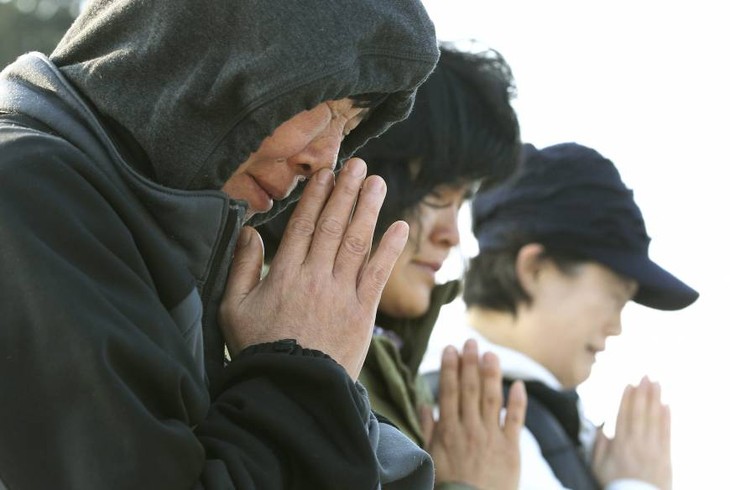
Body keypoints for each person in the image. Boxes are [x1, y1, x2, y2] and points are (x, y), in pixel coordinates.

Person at [0, 1, 441, 488]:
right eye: (329, 103)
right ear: (214, 50)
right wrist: (301, 377)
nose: (326, 161)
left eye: (350, 128)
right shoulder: (24, 195)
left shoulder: (167, 247)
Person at [259, 45, 528, 490]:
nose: (452, 235)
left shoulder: (385, 356)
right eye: (438, 195)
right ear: (361, 168)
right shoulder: (273, 324)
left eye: (462, 203)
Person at [429, 142, 699, 489]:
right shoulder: (480, 427)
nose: (616, 327)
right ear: (535, 269)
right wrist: (636, 483)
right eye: (615, 297)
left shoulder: (531, 410)